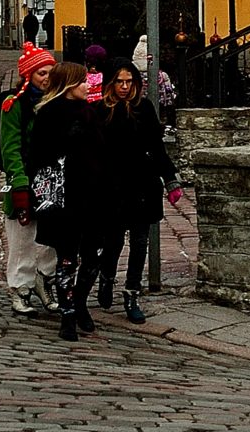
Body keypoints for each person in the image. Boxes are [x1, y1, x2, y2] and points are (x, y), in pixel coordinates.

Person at [27, 62, 106, 339]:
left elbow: (102, 152)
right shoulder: (49, 114)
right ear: (69, 84)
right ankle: (68, 313)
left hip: (92, 195)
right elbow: (37, 158)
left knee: (94, 255)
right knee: (67, 258)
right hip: (64, 199)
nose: (87, 85)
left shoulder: (91, 113)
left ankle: (80, 302)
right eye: (82, 81)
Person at [90, 64, 173, 322]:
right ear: (111, 83)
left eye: (129, 81)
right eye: (119, 82)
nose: (125, 87)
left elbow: (156, 146)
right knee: (113, 240)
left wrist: (170, 179)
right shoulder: (101, 110)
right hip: (113, 187)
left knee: (139, 242)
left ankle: (132, 292)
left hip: (142, 185)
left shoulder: (144, 108)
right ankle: (107, 277)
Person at [0, 44, 63, 316]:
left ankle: (44, 280)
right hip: (24, 178)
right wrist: (19, 183)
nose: (46, 78)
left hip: (50, 181)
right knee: (22, 241)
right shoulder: (13, 105)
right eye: (41, 73)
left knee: (50, 240)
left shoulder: (56, 102)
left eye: (49, 73)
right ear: (28, 75)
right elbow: (10, 148)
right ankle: (20, 288)